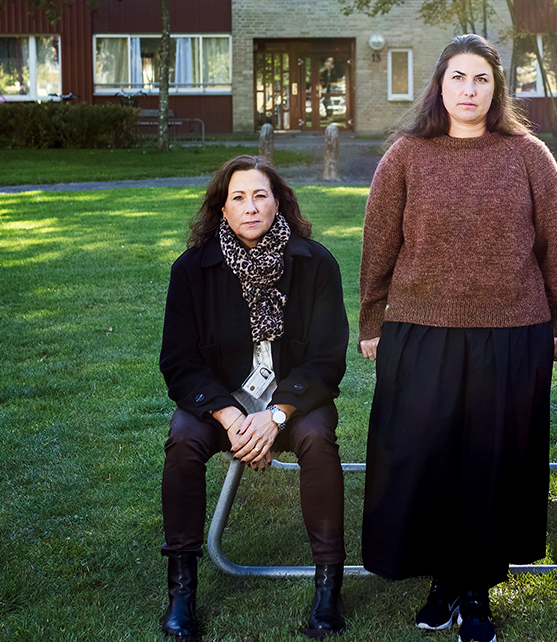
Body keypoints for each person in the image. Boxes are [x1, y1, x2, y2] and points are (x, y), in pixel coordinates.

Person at [357, 34, 557, 642]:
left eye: (481, 78)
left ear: (496, 88)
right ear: (440, 85)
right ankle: (442, 578)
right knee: (423, 458)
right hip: (422, 329)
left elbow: (554, 244)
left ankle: (476, 587)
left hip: (511, 331)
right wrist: (371, 319)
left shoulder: (529, 155)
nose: (469, 89)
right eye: (458, 77)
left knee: (491, 462)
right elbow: (379, 243)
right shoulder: (406, 155)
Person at [158, 155, 349, 639]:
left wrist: (274, 417)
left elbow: (327, 359)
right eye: (238, 197)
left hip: (293, 403)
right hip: (221, 405)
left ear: (278, 203)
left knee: (318, 438)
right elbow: (180, 363)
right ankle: (181, 591)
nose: (250, 207)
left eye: (260, 195)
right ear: (221, 208)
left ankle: (329, 587)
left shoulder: (316, 263)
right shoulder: (192, 270)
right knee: (183, 439)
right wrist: (232, 418)